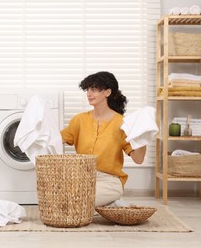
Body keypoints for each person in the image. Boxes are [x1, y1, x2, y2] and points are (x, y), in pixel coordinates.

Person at [60, 71, 146, 207]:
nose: (89, 93)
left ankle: (106, 203)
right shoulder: (79, 120)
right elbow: (57, 140)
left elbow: (138, 159)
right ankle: (108, 205)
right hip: (81, 179)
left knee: (78, 202)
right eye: (87, 89)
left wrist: (142, 137)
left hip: (109, 181)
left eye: (94, 89)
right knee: (61, 200)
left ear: (107, 92)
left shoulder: (122, 123)